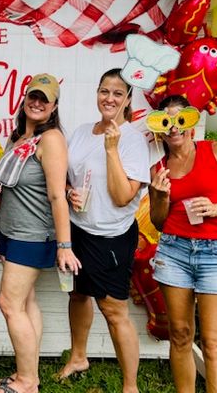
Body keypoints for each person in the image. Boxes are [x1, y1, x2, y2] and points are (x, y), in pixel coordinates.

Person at [149, 95, 217, 393]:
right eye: (166, 121)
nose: (174, 127)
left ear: (191, 123)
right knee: (180, 334)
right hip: (174, 251)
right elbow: (159, 222)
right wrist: (158, 196)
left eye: (180, 119)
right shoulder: (159, 167)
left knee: (213, 344)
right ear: (160, 127)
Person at [0, 73, 81, 393]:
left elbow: (57, 196)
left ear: (54, 106)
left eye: (45, 99)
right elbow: (21, 184)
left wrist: (65, 246)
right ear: (24, 99)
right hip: (12, 232)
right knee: (25, 302)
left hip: (33, 235)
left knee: (8, 303)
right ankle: (28, 374)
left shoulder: (50, 139)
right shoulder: (17, 138)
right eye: (33, 96)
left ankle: (27, 382)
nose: (37, 103)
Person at [57, 68, 150, 393]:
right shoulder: (82, 132)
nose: (109, 98)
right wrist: (70, 192)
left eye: (117, 93)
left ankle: (130, 386)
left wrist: (112, 149)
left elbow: (124, 196)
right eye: (104, 91)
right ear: (97, 93)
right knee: (78, 294)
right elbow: (69, 177)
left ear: (127, 101)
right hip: (78, 231)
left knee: (113, 310)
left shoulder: (134, 141)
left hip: (111, 237)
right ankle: (79, 357)